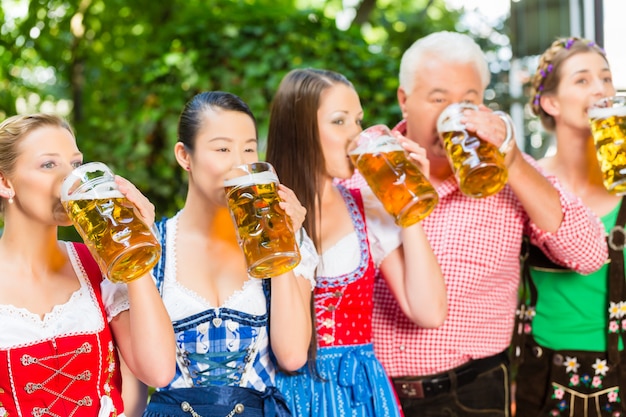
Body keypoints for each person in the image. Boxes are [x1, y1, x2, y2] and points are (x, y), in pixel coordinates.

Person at [340, 31, 608, 416]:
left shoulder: (510, 174)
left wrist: (511, 159)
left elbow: (589, 253)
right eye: (438, 99)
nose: (454, 114)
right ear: (404, 100)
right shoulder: (362, 174)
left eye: (468, 102)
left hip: (470, 394)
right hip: (368, 392)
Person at [265, 68, 447, 417]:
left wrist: (407, 202)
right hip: (279, 395)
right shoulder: (257, 214)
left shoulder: (366, 207)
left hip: (358, 395)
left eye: (358, 121)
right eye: (339, 121)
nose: (356, 136)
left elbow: (428, 311)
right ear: (299, 132)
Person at [136, 91, 317, 417]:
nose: (239, 163)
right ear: (184, 156)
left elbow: (292, 355)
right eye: (222, 149)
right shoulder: (149, 247)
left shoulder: (286, 242)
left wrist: (277, 238)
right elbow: (140, 380)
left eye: (249, 148)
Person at [0, 113, 176, 417]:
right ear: (4, 182)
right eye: (48, 164)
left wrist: (131, 244)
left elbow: (158, 372)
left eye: (75, 164)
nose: (71, 178)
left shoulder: (94, 266)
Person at [513, 37, 622, 417]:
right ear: (550, 102)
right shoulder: (527, 182)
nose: (600, 89)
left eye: (606, 78)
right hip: (537, 375)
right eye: (582, 80)